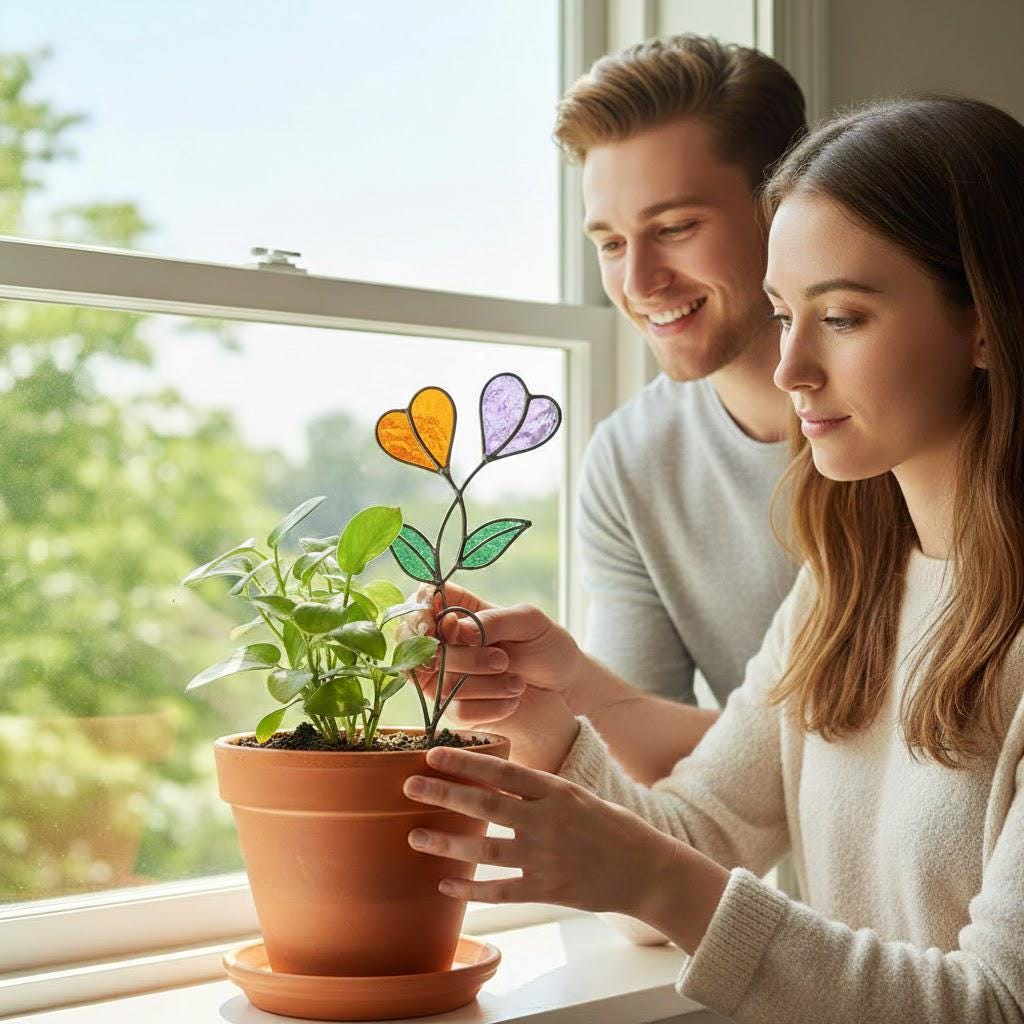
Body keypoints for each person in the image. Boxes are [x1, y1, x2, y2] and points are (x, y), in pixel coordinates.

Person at [402, 96, 1024, 1023]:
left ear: (985, 322)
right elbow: (700, 835)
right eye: (783, 314)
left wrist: (659, 880)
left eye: (844, 317)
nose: (791, 368)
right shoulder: (843, 588)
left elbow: (995, 1004)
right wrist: (543, 722)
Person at [416, 35, 808, 786]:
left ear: (784, 209)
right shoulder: (632, 458)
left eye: (675, 228)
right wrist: (548, 686)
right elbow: (663, 779)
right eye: (611, 242)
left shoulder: (908, 427)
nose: (640, 281)